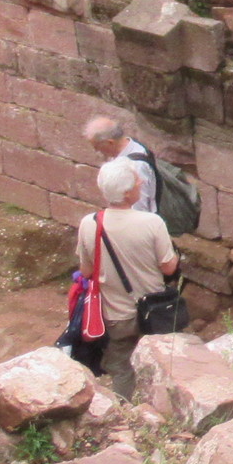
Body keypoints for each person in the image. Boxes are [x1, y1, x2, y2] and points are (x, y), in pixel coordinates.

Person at [71, 159, 177, 394]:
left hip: (117, 315)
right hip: (155, 311)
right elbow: (168, 268)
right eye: (137, 180)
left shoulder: (89, 224)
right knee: (164, 362)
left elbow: (86, 271)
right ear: (128, 192)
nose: (141, 182)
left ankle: (125, 407)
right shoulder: (153, 223)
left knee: (121, 365)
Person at [83, 113, 158, 219]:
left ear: (110, 143)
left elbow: (140, 207)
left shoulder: (137, 166)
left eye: (97, 147)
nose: (97, 152)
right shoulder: (121, 151)